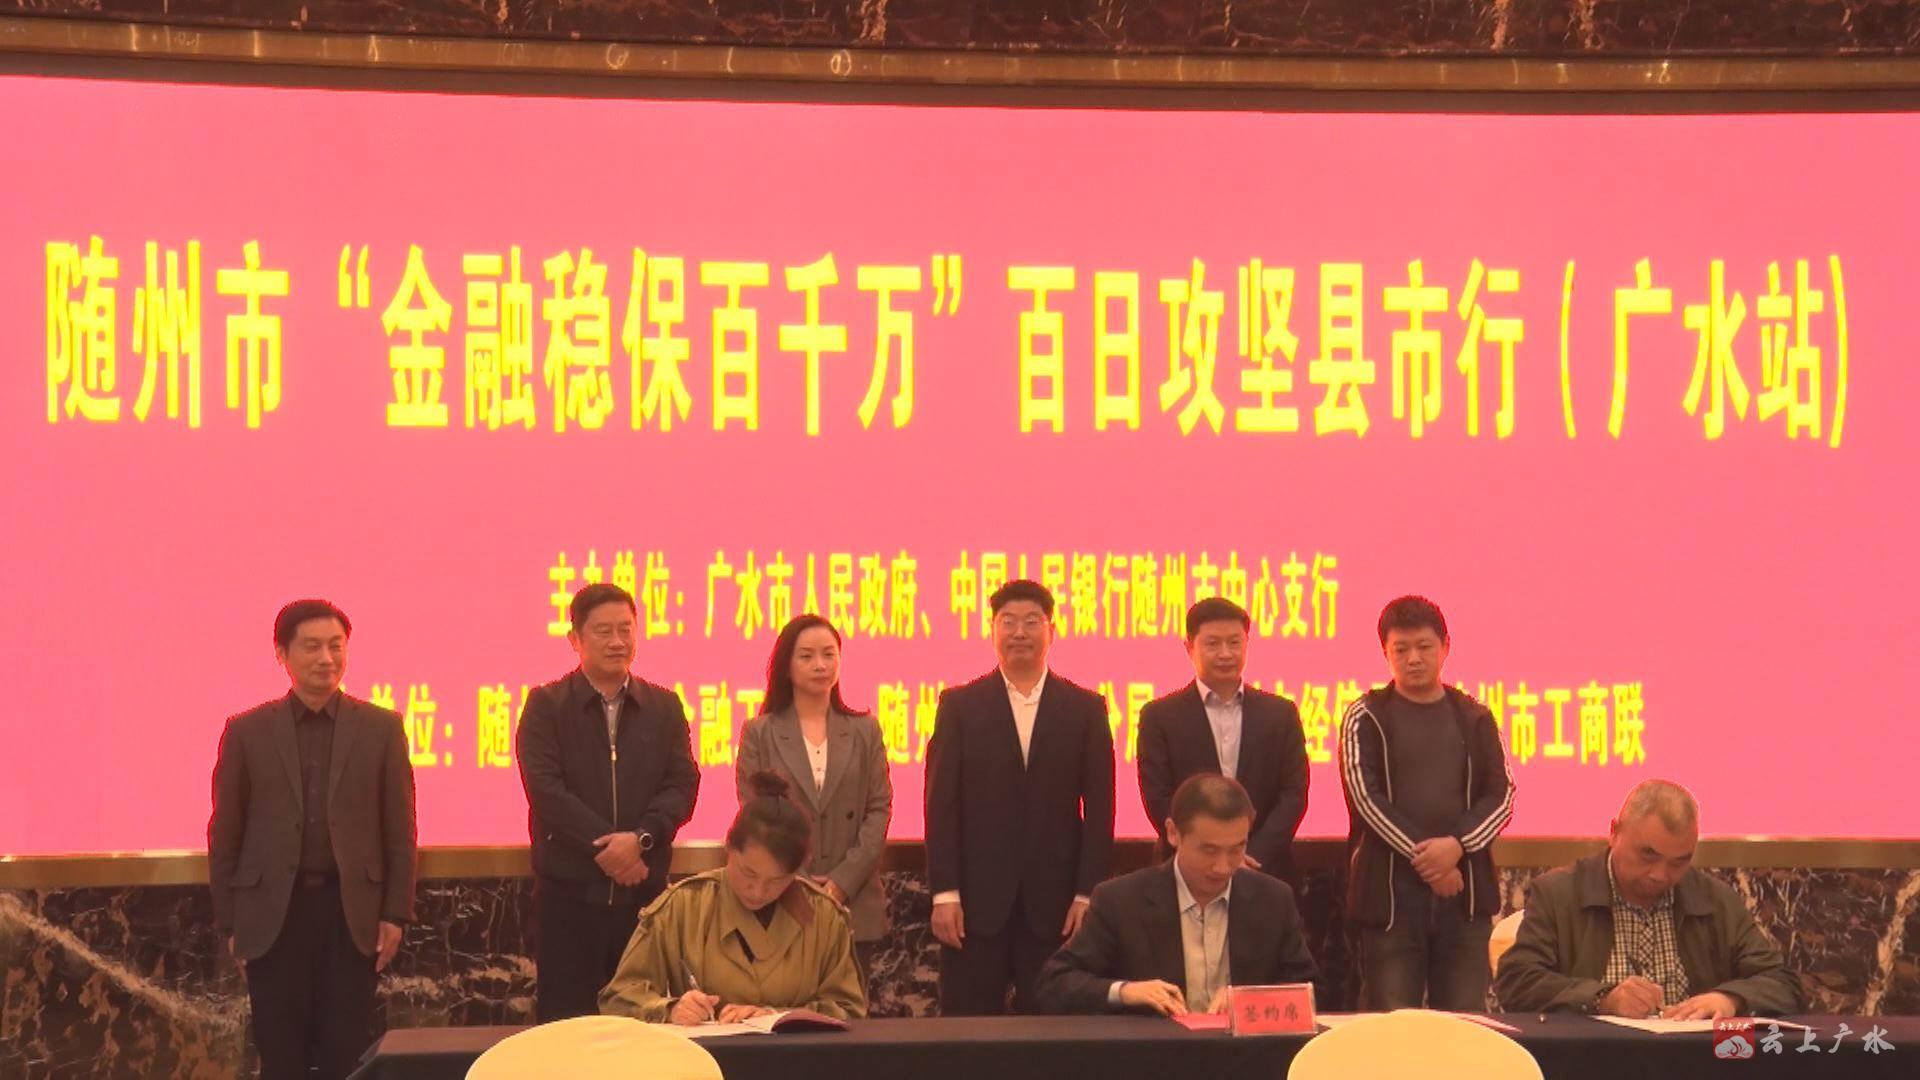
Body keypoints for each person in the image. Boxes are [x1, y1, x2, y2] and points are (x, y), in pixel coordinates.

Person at [208, 599, 417, 1080]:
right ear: (282, 654)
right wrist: (230, 923)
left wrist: (395, 912)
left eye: (336, 646)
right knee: (281, 1057)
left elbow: (400, 829)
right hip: (273, 917)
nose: (326, 658)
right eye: (312, 647)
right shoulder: (247, 732)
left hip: (351, 915)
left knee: (347, 1056)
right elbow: (226, 834)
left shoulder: (381, 728)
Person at [924, 579, 1116, 1015]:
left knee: (1053, 1029)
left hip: (1057, 904)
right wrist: (944, 892)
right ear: (992, 630)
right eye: (1007, 622)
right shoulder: (960, 705)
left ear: (1052, 630)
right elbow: (941, 806)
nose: (1019, 632)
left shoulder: (1086, 708)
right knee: (968, 1029)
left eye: (1032, 622)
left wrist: (1087, 894)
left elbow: (1101, 809)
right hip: (974, 904)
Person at [518, 583, 700, 1021]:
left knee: (644, 1026)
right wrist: (611, 848)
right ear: (575, 639)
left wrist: (640, 840)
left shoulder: (664, 706)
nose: (617, 641)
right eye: (603, 631)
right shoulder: (547, 705)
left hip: (644, 899)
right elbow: (546, 791)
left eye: (626, 629)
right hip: (569, 900)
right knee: (568, 1028)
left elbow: (682, 784)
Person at [1493, 779, 1803, 1017]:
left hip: (1695, 1061)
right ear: (1615, 832)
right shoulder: (1559, 893)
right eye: (1647, 855)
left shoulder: (1715, 900)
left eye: (1679, 862)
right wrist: (1601, 998)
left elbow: (1782, 983)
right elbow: (1516, 982)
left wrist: (1730, 999)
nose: (1660, 875)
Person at [1339, 595, 1514, 1011]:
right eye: (1401, 649)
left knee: (1465, 1024)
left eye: (1424, 647)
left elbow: (1502, 795)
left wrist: (1456, 846)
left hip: (1464, 898)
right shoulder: (1366, 716)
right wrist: (1430, 861)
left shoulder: (1474, 716)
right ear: (1385, 652)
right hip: (1390, 903)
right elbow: (1365, 799)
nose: (1413, 659)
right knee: (1391, 1024)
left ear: (1445, 646)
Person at [1037, 775, 1317, 1016]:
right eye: (1209, 850)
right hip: (1157, 1054)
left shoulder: (1273, 899)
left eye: (1236, 849)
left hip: (1248, 1056)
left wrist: (1249, 1001)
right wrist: (1124, 991)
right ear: (1173, 833)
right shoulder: (1121, 900)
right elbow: (1054, 984)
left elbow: (1311, 989)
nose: (1223, 867)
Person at [600, 771, 867, 1022]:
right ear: (728, 848)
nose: (758, 891)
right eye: (748, 873)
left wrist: (777, 1017)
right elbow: (618, 998)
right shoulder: (684, 906)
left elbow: (850, 1010)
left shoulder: (823, 917)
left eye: (776, 881)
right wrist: (670, 1009)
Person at [736, 614, 894, 985]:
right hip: (783, 896)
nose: (820, 665)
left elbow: (878, 809)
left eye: (829, 654)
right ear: (786, 665)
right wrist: (801, 883)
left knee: (851, 1011)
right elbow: (755, 811)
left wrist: (841, 882)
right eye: (806, 656)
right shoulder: (760, 732)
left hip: (853, 900)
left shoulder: (864, 730)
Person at [1137, 597, 1310, 886]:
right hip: (1186, 872)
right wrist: (1209, 853)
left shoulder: (1280, 713)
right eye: (1213, 644)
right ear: (1189, 647)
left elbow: (1293, 793)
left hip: (1264, 871)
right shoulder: (1160, 716)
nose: (1226, 653)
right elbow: (1158, 795)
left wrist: (1248, 855)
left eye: (1234, 643)